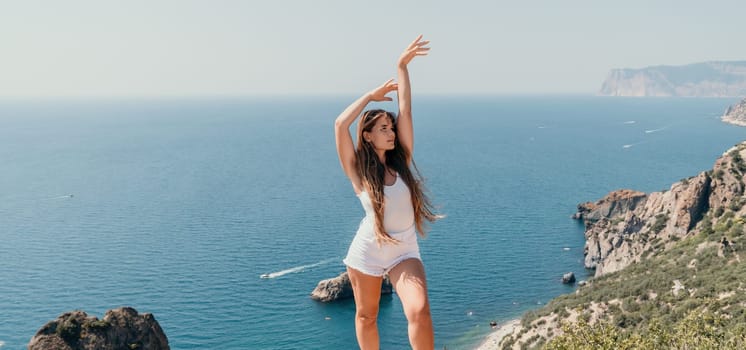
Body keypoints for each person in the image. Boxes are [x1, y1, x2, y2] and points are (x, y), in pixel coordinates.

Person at [334, 35, 441, 350]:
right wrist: (370, 96)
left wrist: (401, 67)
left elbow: (405, 110)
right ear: (367, 136)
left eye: (391, 128)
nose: (392, 132)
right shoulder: (359, 173)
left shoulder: (402, 162)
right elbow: (340, 124)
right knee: (367, 317)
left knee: (419, 311)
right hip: (368, 251)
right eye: (384, 129)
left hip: (404, 250)